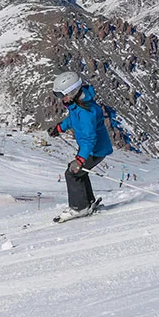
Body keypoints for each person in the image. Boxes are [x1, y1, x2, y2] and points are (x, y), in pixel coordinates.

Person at [47, 71, 113, 221]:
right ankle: (87, 203)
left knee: (72, 173)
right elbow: (72, 120)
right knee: (79, 172)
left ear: (72, 92)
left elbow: (90, 138)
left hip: (95, 149)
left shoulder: (86, 112)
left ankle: (79, 208)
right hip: (90, 148)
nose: (60, 99)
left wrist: (81, 159)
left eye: (61, 95)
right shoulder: (77, 105)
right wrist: (59, 128)